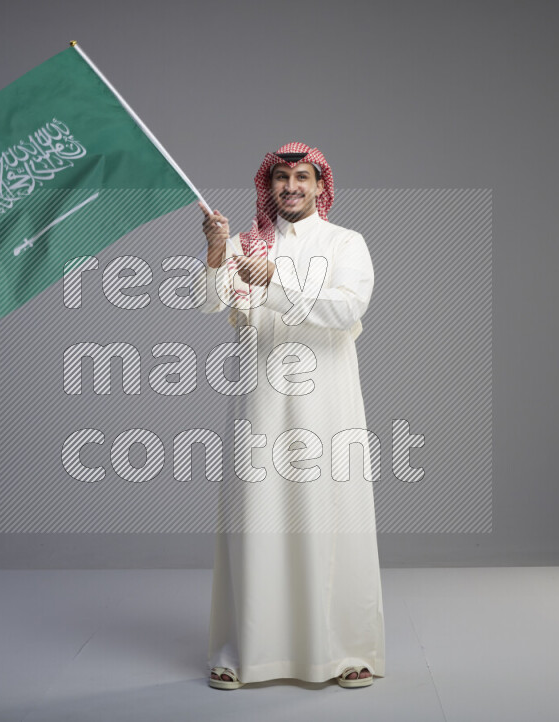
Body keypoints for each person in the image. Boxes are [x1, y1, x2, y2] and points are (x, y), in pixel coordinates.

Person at [192, 142, 385, 689]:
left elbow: (347, 307)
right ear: (268, 185)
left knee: (333, 512)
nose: (292, 187)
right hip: (260, 401)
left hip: (328, 401)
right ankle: (244, 651)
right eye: (281, 178)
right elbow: (209, 302)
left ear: (321, 186)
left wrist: (274, 280)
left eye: (302, 177)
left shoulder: (346, 243)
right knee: (256, 517)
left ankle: (347, 651)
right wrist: (214, 255)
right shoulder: (243, 243)